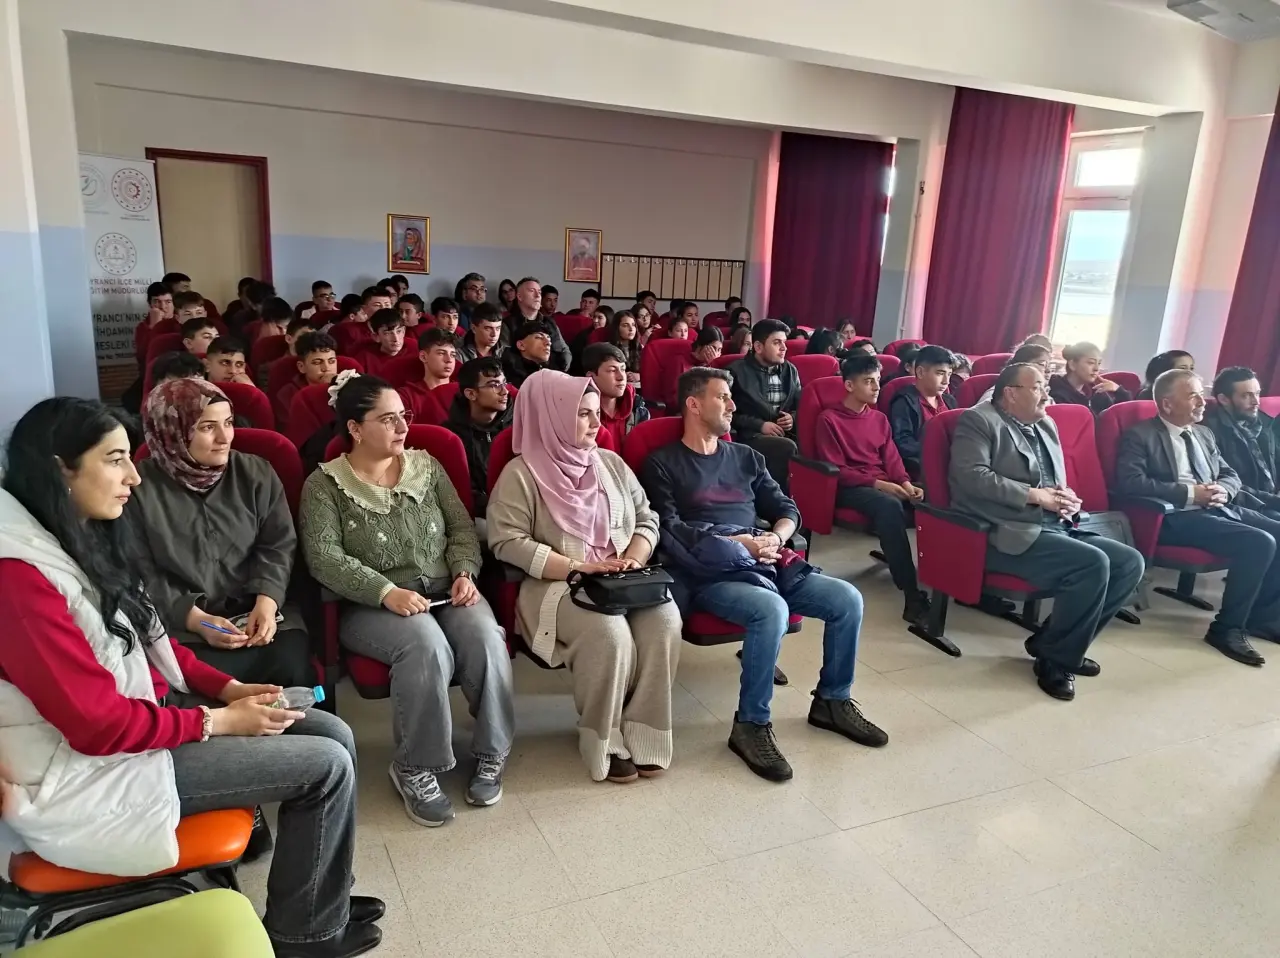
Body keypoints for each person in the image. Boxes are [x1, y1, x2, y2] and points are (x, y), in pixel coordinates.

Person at [0, 397, 381, 958]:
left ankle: (320, 903)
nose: (132, 477)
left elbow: (149, 642)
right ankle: (307, 936)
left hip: (140, 728)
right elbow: (96, 727)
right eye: (115, 460)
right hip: (91, 771)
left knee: (333, 731)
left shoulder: (76, 534)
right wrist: (218, 721)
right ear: (61, 470)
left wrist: (228, 690)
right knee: (325, 767)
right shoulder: (20, 578)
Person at [640, 368, 885, 782]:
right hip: (710, 573)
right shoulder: (663, 462)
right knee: (771, 610)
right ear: (693, 404)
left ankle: (832, 700)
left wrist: (774, 536)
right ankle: (750, 725)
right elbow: (671, 527)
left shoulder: (747, 457)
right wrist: (739, 544)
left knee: (847, 599)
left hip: (766, 559)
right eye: (722, 397)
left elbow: (786, 508)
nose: (732, 405)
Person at [300, 375, 514, 825]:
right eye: (387, 419)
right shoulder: (325, 484)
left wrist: (464, 572)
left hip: (446, 590)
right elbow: (324, 558)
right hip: (372, 604)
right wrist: (386, 591)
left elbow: (461, 528)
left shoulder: (426, 466)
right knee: (425, 645)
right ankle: (415, 765)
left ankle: (492, 751)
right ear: (355, 428)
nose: (402, 427)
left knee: (484, 636)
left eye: (404, 416)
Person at [489, 371, 680, 783]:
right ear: (552, 417)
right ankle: (602, 736)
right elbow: (506, 542)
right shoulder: (521, 474)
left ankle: (644, 729)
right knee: (609, 634)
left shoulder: (610, 463)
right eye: (583, 415)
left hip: (623, 578)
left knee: (665, 620)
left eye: (596, 413)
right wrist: (577, 566)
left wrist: (634, 556)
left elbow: (647, 517)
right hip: (557, 585)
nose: (597, 423)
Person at [950, 363, 1144, 700]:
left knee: (1129, 562)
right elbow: (972, 476)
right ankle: (1056, 661)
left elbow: (1053, 480)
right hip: (1002, 530)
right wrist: (1035, 496)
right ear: (1011, 393)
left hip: (1054, 524)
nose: (1047, 394)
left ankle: (1055, 643)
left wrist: (1066, 498)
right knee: (1092, 564)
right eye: (1038, 387)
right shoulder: (979, 421)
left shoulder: (1045, 423)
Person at [134, 379, 313, 689]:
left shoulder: (256, 473)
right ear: (172, 432)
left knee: (292, 670)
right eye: (207, 427)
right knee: (197, 682)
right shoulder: (138, 489)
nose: (224, 438)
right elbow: (141, 569)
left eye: (228, 423)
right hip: (180, 623)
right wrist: (196, 620)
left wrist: (267, 601)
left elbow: (277, 545)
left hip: (259, 610)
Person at [1115, 368, 1280, 666]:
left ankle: (1262, 618)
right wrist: (1191, 494)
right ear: (1167, 404)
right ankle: (1226, 629)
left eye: (1201, 395)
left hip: (1218, 507)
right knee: (1259, 542)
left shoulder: (1203, 433)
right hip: (1177, 516)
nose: (1203, 402)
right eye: (1193, 396)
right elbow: (1130, 482)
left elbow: (1229, 473)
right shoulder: (1141, 435)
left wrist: (1224, 489)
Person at [815, 354, 929, 622]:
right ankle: (911, 594)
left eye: (878, 380)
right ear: (849, 385)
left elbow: (892, 459)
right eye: (868, 381)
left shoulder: (879, 419)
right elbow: (838, 470)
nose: (877, 387)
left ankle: (950, 581)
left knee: (935, 496)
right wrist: (881, 485)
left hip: (883, 482)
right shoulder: (829, 419)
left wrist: (905, 483)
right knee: (889, 506)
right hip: (850, 487)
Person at [728, 319, 800, 488]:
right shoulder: (735, 371)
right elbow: (725, 414)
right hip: (750, 435)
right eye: (777, 343)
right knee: (786, 447)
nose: (784, 348)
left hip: (785, 432)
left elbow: (801, 406)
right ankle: (775, 496)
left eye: (784, 342)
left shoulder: (790, 370)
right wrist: (760, 425)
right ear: (758, 347)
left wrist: (792, 418)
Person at [443, 357, 513, 523]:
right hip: (476, 515)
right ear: (471, 394)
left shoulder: (518, 427)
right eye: (494, 385)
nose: (504, 391)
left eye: (504, 383)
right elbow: (458, 489)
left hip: (518, 508)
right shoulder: (450, 436)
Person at [1206, 367, 1280, 518]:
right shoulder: (1210, 432)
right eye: (1246, 395)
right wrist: (1274, 501)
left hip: (1272, 499)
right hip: (1247, 505)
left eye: (1257, 393)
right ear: (1224, 399)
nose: (1256, 401)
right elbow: (1226, 483)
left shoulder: (1264, 422)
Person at [889, 344, 957, 479]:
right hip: (924, 466)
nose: (946, 381)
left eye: (949, 374)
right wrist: (939, 452)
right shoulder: (904, 402)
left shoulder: (950, 401)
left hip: (953, 463)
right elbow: (903, 443)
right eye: (940, 373)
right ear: (920, 372)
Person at [583, 343, 649, 448]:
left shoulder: (638, 410)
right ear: (591, 376)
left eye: (623, 369)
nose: (621, 377)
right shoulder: (581, 415)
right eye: (612, 370)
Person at [276, 331, 339, 433]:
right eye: (317, 362)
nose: (326, 368)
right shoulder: (287, 395)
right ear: (301, 367)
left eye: (331, 361)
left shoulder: (348, 385)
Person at [506, 277, 572, 369]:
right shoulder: (508, 323)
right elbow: (505, 355)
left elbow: (563, 350)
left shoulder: (549, 322)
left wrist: (561, 370)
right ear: (519, 297)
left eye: (539, 292)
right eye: (532, 291)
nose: (537, 296)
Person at [1048, 342, 1131, 413]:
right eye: (1091, 363)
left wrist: (1118, 390)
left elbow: (1119, 415)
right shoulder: (1058, 396)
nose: (1096, 369)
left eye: (1099, 363)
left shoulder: (1095, 390)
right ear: (1072, 364)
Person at [398, 328, 457, 423]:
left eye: (453, 355)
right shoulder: (407, 396)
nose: (449, 360)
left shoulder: (462, 392)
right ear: (423, 357)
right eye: (441, 353)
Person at [975, 344, 1052, 404]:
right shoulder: (996, 397)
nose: (1048, 370)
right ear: (1021, 365)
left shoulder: (1047, 399)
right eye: (1042, 364)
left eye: (1050, 366)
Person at [354, 309, 408, 378]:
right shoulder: (364, 358)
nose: (396, 339)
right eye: (387, 333)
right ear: (376, 337)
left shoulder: (415, 349)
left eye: (399, 331)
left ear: (404, 331)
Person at [503, 321, 555, 387]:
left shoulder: (552, 370)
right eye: (539, 337)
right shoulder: (508, 374)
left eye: (549, 339)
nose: (548, 343)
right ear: (521, 345)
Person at [607, 309, 643, 384]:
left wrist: (639, 376)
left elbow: (650, 371)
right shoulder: (608, 349)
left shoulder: (641, 348)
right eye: (625, 325)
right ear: (617, 328)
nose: (631, 329)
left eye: (633, 325)